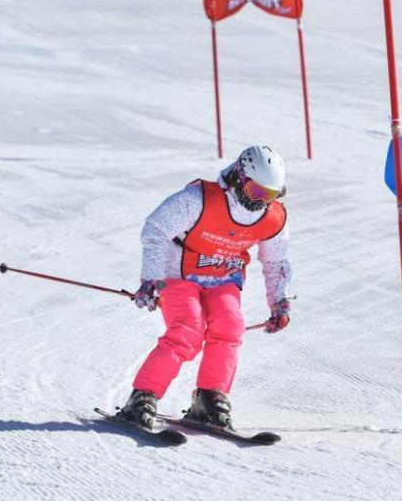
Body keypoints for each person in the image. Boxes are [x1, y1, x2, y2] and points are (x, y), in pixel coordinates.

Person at [118, 145, 293, 430]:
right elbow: (156, 230)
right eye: (255, 192)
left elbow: (276, 261)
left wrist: (279, 302)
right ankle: (143, 397)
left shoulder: (273, 218)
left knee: (230, 327)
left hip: (224, 278)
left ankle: (209, 399)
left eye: (270, 195)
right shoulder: (199, 200)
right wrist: (150, 279)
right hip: (178, 274)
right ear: (240, 177)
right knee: (187, 330)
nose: (260, 201)